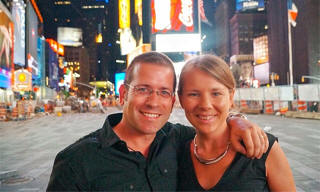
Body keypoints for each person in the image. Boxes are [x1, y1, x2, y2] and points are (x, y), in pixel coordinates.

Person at [47, 52, 268, 191]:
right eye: (143, 89)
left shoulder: (179, 139)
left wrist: (236, 120)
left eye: (163, 92)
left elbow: (212, 125)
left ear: (172, 101)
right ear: (124, 93)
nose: (153, 102)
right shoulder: (76, 162)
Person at [177, 54, 295, 191]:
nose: (205, 105)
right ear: (181, 98)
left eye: (216, 94)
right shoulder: (175, 149)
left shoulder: (262, 147)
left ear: (231, 96)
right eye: (194, 94)